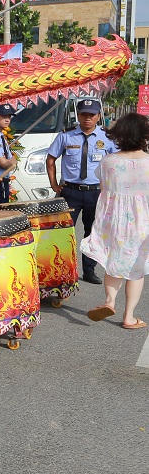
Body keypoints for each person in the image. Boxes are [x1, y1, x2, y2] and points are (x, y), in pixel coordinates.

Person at [81, 113, 149, 329]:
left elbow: (104, 189)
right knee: (136, 269)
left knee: (114, 261)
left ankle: (109, 301)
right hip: (142, 221)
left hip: (113, 220)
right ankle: (129, 317)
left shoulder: (109, 161)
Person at [46, 99, 117, 284]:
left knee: (92, 232)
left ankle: (89, 270)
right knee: (64, 232)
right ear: (78, 115)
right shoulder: (66, 136)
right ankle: (63, 270)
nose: (87, 118)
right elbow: (51, 159)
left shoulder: (107, 138)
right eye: (84, 114)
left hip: (96, 192)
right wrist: (54, 184)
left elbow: (117, 163)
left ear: (98, 116)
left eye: (91, 115)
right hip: (71, 192)